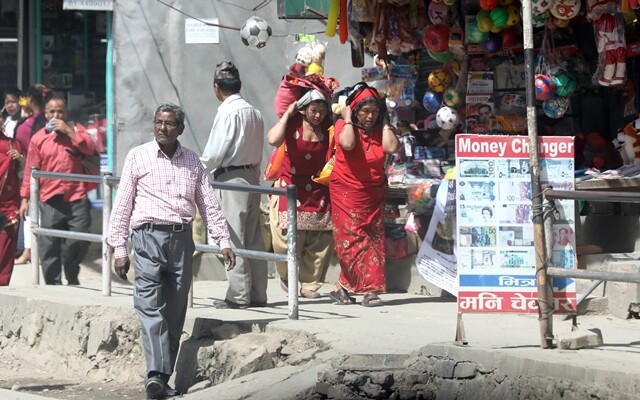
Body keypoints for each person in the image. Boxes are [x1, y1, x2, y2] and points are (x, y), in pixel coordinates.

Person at [107, 103, 236, 399]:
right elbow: (123, 204)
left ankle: (162, 378)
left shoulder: (192, 161)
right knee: (149, 307)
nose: (162, 128)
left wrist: (223, 241)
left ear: (180, 128)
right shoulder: (137, 157)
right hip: (147, 238)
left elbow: (209, 204)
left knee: (175, 312)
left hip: (180, 240)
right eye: (158, 123)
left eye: (169, 124)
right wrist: (118, 248)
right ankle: (155, 374)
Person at [200, 61, 268, 309]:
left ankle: (239, 295)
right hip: (251, 177)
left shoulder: (227, 112)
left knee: (233, 237)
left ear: (217, 87)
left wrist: (194, 169)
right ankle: (258, 293)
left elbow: (215, 154)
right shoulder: (254, 111)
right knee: (252, 238)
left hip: (232, 178)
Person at [329, 85, 400, 307]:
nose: (370, 117)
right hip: (346, 190)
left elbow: (390, 147)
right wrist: (348, 116)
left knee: (372, 239)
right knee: (351, 240)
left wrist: (385, 121)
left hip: (373, 190)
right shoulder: (344, 124)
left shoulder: (381, 129)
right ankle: (369, 290)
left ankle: (343, 287)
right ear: (355, 110)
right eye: (365, 111)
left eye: (375, 112)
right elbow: (348, 143)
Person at [19, 97, 95, 285]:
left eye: (60, 111)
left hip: (76, 195)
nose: (56, 115)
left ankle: (71, 271)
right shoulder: (38, 138)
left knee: (81, 238)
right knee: (49, 245)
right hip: (50, 198)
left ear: (66, 113)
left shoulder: (77, 130)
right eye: (52, 112)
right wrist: (25, 198)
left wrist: (69, 131)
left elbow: (89, 148)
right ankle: (53, 284)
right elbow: (30, 170)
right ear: (45, 114)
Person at [266, 90, 333, 299]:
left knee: (319, 240)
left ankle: (310, 285)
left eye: (322, 111)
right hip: (291, 186)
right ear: (303, 110)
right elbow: (272, 139)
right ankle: (287, 275)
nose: (318, 115)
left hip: (317, 188)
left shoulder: (329, 127)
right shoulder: (292, 124)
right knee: (284, 239)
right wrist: (288, 114)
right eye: (313, 110)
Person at [14, 84, 52, 265]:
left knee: (30, 212)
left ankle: (29, 250)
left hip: (34, 173)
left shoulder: (25, 127)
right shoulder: (50, 123)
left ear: (29, 98)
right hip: (52, 174)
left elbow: (21, 152)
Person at [0, 113, 25, 285]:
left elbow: (24, 175)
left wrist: (21, 160)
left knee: (5, 250)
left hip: (8, 205)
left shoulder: (13, 145)